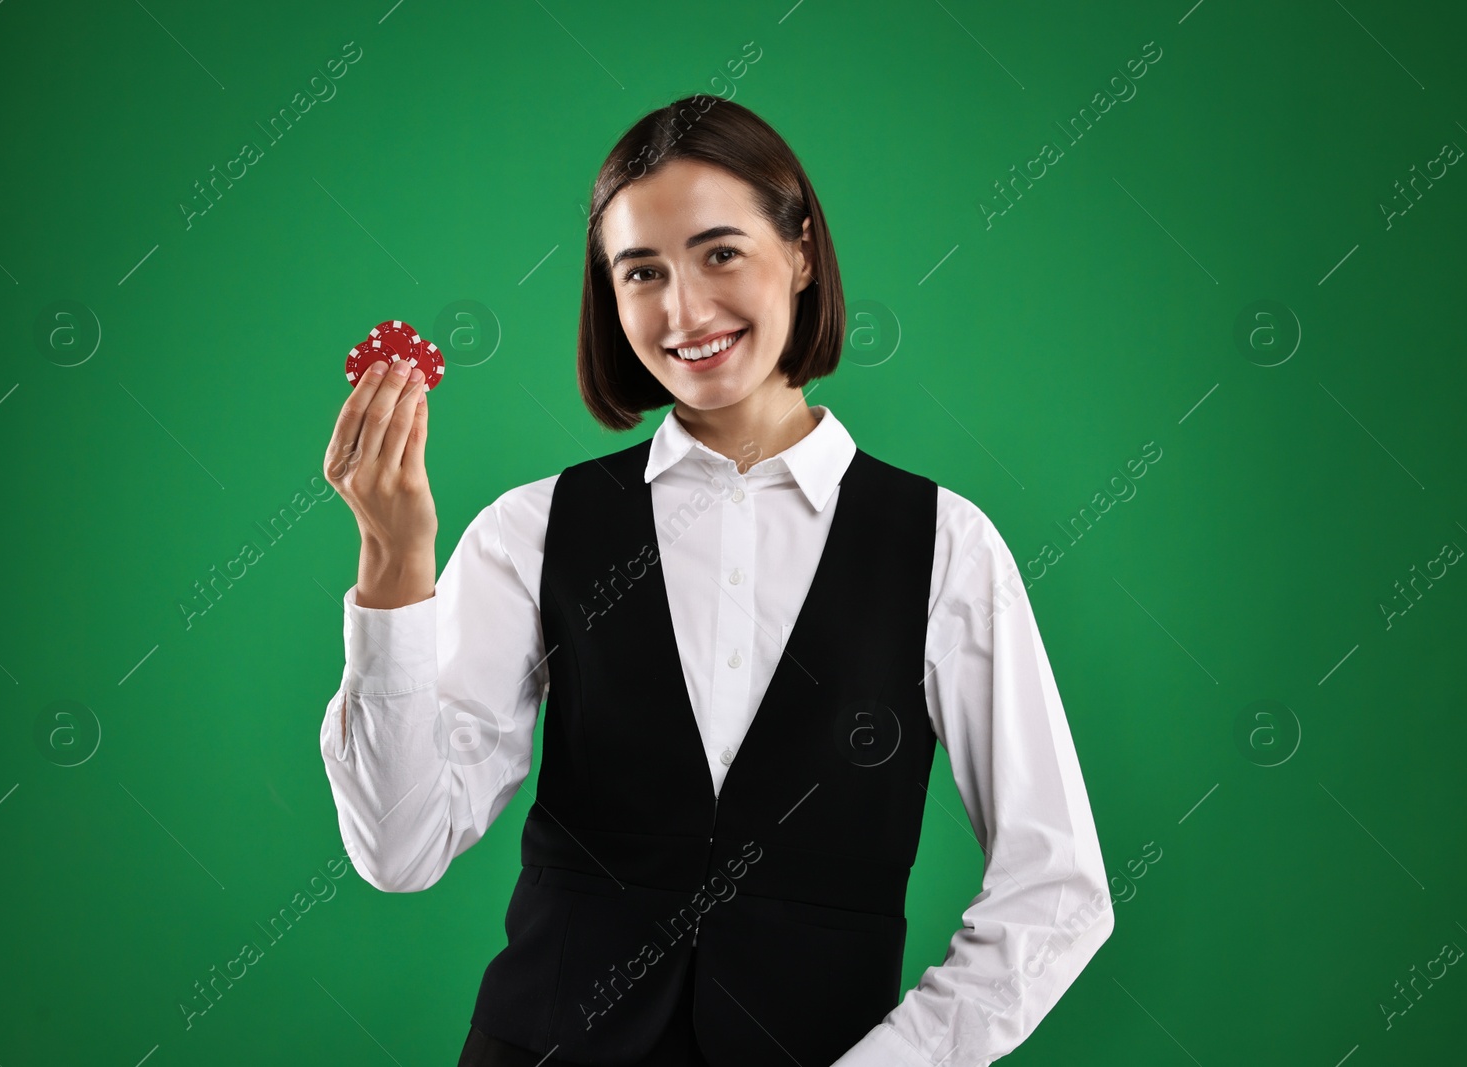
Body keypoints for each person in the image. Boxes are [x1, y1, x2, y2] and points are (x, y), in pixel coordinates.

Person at [319, 95, 1114, 1067]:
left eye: (720, 252)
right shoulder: (528, 531)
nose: (684, 310)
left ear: (803, 253)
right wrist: (396, 568)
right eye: (641, 271)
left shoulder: (947, 545)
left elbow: (1057, 887)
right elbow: (400, 849)